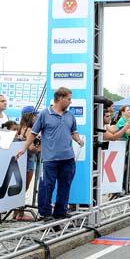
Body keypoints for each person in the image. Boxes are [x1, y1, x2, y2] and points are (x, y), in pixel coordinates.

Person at [16, 87, 84, 220]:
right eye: (69, 99)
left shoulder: (70, 116)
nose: (71, 102)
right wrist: (24, 148)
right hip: (50, 159)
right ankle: (45, 213)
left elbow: (73, 131)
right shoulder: (44, 114)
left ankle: (60, 212)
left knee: (65, 186)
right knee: (47, 186)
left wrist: (78, 139)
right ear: (60, 98)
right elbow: (34, 133)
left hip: (68, 158)